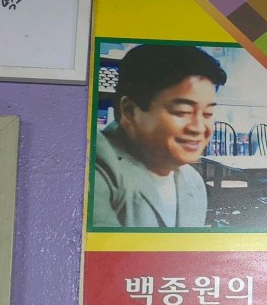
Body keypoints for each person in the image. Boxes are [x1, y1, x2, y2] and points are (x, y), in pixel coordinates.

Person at [93, 43, 227, 228]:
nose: (198, 128)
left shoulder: (193, 182)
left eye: (208, 114)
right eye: (182, 111)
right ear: (130, 112)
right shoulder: (95, 165)